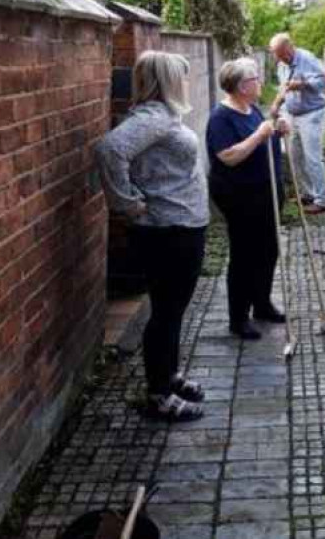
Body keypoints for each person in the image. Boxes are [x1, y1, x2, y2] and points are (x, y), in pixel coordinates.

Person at [95, 51, 208, 421]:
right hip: (167, 230)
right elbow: (110, 150)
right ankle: (158, 396)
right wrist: (126, 202)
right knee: (165, 313)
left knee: (173, 311)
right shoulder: (153, 117)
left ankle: (170, 375)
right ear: (168, 80)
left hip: (182, 225)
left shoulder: (165, 115)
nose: (187, 82)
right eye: (181, 76)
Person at [207, 58, 290, 340]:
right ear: (242, 86)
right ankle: (238, 318)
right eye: (255, 78)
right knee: (244, 256)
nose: (259, 82)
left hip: (266, 192)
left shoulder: (251, 108)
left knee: (268, 250)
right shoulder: (221, 117)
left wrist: (277, 131)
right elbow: (228, 157)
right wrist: (259, 135)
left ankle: (262, 304)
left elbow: (265, 140)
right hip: (241, 197)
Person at [269, 32, 325, 215]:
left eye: (283, 53)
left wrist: (302, 84)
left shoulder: (307, 58)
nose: (281, 58)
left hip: (312, 114)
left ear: (290, 47)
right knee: (295, 155)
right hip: (294, 114)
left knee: (312, 157)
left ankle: (323, 201)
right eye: (277, 55)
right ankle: (307, 194)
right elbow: (284, 88)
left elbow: (324, 82)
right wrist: (276, 104)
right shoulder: (281, 65)